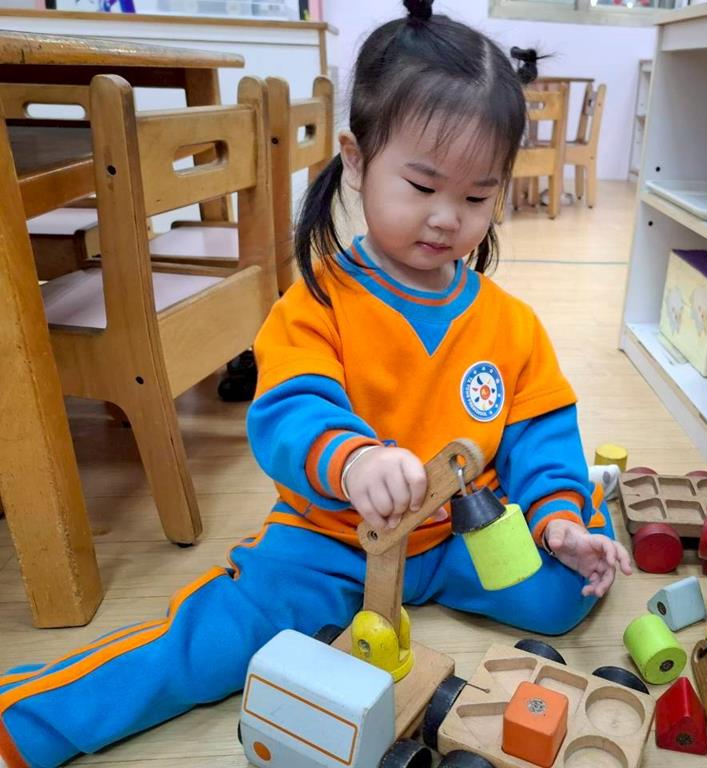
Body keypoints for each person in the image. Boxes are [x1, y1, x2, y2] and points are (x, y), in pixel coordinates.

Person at [0, 2, 631, 766]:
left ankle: (578, 525)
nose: (446, 219)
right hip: (332, 541)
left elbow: (541, 431)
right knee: (215, 644)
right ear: (357, 161)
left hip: (462, 535)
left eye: (475, 197)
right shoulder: (319, 303)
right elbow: (291, 410)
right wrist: (355, 461)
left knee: (563, 594)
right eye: (422, 185)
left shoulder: (511, 322)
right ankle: (30, 719)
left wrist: (560, 519)